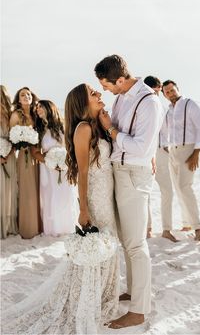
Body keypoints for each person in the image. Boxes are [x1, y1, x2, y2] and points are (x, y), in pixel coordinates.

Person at [1, 83, 120, 335]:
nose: (99, 95)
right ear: (81, 102)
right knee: (98, 246)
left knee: (108, 246)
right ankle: (86, 298)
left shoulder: (97, 124)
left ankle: (101, 295)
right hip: (96, 198)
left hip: (107, 195)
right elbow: (84, 172)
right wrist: (84, 209)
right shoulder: (83, 129)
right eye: (93, 93)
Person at [95, 55, 163, 328]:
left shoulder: (149, 102)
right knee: (127, 242)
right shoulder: (121, 97)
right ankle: (135, 292)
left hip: (135, 175)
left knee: (136, 244)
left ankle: (139, 310)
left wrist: (110, 130)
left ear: (120, 79)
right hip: (119, 174)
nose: (105, 90)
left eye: (106, 85)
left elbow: (142, 148)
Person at [162, 80, 200, 241]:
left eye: (172, 90)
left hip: (188, 150)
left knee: (185, 187)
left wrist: (196, 153)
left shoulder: (190, 104)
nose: (170, 93)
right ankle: (187, 222)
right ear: (164, 95)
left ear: (178, 89)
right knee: (178, 188)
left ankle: (198, 227)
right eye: (167, 92)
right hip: (173, 152)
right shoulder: (169, 111)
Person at [33, 100, 77, 236]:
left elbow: (71, 147)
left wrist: (65, 162)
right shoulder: (38, 129)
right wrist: (50, 161)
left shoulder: (64, 125)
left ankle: (68, 226)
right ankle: (53, 229)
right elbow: (35, 153)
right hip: (47, 168)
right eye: (36, 108)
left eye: (40, 106)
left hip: (65, 167)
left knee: (66, 194)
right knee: (50, 196)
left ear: (49, 108)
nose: (37, 109)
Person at [144, 76, 177, 242]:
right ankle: (148, 229)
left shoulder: (163, 108)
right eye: (154, 91)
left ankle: (166, 229)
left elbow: (166, 131)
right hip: (146, 153)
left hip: (161, 152)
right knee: (146, 192)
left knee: (167, 191)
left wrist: (166, 147)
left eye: (158, 91)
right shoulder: (143, 106)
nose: (155, 94)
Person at [10, 87, 41, 239]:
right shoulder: (16, 115)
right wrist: (22, 141)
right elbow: (11, 138)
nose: (26, 96)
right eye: (22, 94)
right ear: (18, 99)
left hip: (38, 156)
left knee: (38, 189)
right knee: (27, 190)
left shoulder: (36, 114)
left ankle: (39, 225)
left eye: (28, 94)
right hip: (25, 156)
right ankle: (28, 228)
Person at [0, 85, 18, 238]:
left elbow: (15, 141)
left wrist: (8, 153)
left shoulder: (12, 117)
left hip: (10, 158)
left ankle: (9, 225)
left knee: (10, 190)